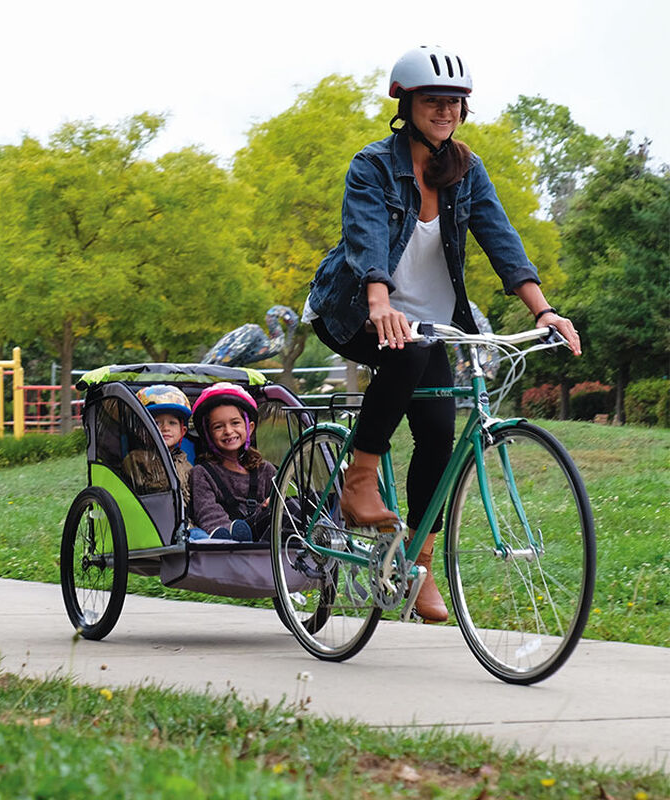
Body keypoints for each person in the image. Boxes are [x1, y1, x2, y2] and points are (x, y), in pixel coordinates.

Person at [303, 45, 581, 622]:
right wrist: (381, 300)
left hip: (432, 323)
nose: (445, 110)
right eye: (434, 100)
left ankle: (418, 567)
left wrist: (542, 310)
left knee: (436, 432)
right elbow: (365, 237)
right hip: (354, 309)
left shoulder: (465, 170)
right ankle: (357, 484)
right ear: (405, 104)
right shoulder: (373, 165)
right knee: (403, 352)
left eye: (455, 102)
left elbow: (500, 237)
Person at [189, 382, 276, 542]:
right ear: (208, 435)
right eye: (218, 427)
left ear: (249, 427)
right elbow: (207, 512)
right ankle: (232, 533)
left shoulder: (265, 470)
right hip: (230, 539)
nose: (228, 431)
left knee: (289, 507)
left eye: (235, 423)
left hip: (265, 534)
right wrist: (225, 532)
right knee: (235, 530)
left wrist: (272, 503)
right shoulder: (202, 473)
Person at [124, 385, 193, 505]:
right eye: (156, 423)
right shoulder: (136, 459)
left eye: (172, 423)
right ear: (141, 431)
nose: (165, 428)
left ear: (183, 431)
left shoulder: (187, 465)